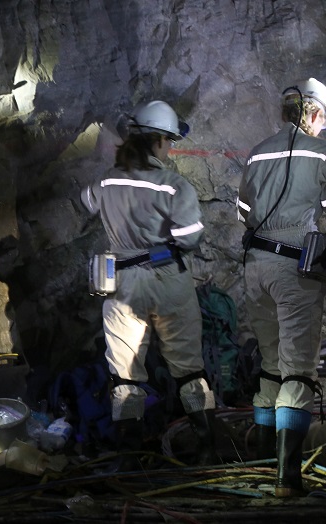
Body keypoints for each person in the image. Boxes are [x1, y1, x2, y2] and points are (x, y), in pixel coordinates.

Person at [80, 101, 218, 470]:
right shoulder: (174, 186)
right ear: (158, 140)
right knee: (189, 368)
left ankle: (132, 461)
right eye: (169, 141)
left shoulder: (107, 180)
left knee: (125, 373)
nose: (170, 148)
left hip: (122, 283)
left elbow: (86, 200)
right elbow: (189, 239)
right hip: (166, 277)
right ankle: (207, 451)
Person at [237, 78, 326, 497]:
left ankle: (259, 461)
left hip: (255, 267)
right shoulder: (321, 153)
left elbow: (243, 212)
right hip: (295, 269)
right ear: (311, 112)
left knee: (271, 365)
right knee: (298, 371)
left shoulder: (257, 153)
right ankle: (288, 479)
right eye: (322, 117)